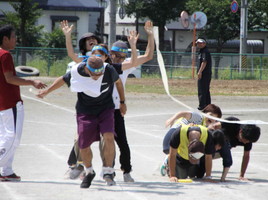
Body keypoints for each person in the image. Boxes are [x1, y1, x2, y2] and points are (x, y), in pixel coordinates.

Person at [65, 21, 154, 183]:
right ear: (109, 54)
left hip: (112, 109)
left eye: (122, 56)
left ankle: (120, 171)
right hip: (95, 107)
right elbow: (72, 58)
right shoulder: (97, 64)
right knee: (81, 138)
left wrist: (150, 36)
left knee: (116, 142)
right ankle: (77, 165)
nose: (119, 58)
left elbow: (147, 56)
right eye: (116, 55)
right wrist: (68, 36)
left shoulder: (122, 67)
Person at [37, 56, 126, 188]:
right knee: (83, 144)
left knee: (109, 136)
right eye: (94, 74)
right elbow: (62, 80)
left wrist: (122, 102)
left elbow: (118, 83)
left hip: (106, 108)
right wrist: (46, 91)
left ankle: (108, 171)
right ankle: (89, 171)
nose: (97, 76)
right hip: (85, 110)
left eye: (99, 73)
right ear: (86, 69)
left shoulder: (108, 70)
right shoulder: (76, 72)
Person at [0, 25, 46, 181]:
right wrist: (32, 81)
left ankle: (6, 170)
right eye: (13, 37)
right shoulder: (5, 55)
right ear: (5, 39)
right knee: (13, 137)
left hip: (2, 103)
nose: (15, 40)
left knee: (5, 136)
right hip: (9, 102)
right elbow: (10, 78)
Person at [220, 117, 261, 181]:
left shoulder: (248, 139)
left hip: (225, 146)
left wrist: (241, 175)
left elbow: (246, 156)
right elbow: (213, 126)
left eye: (248, 141)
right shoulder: (232, 123)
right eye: (244, 140)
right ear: (240, 131)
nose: (245, 142)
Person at [196, 38, 212, 110]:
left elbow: (204, 62)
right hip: (205, 73)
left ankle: (202, 105)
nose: (199, 44)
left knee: (202, 89)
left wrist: (200, 71)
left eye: (201, 43)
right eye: (198, 43)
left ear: (204, 43)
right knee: (205, 89)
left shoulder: (205, 52)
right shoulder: (201, 51)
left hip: (205, 73)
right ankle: (207, 105)